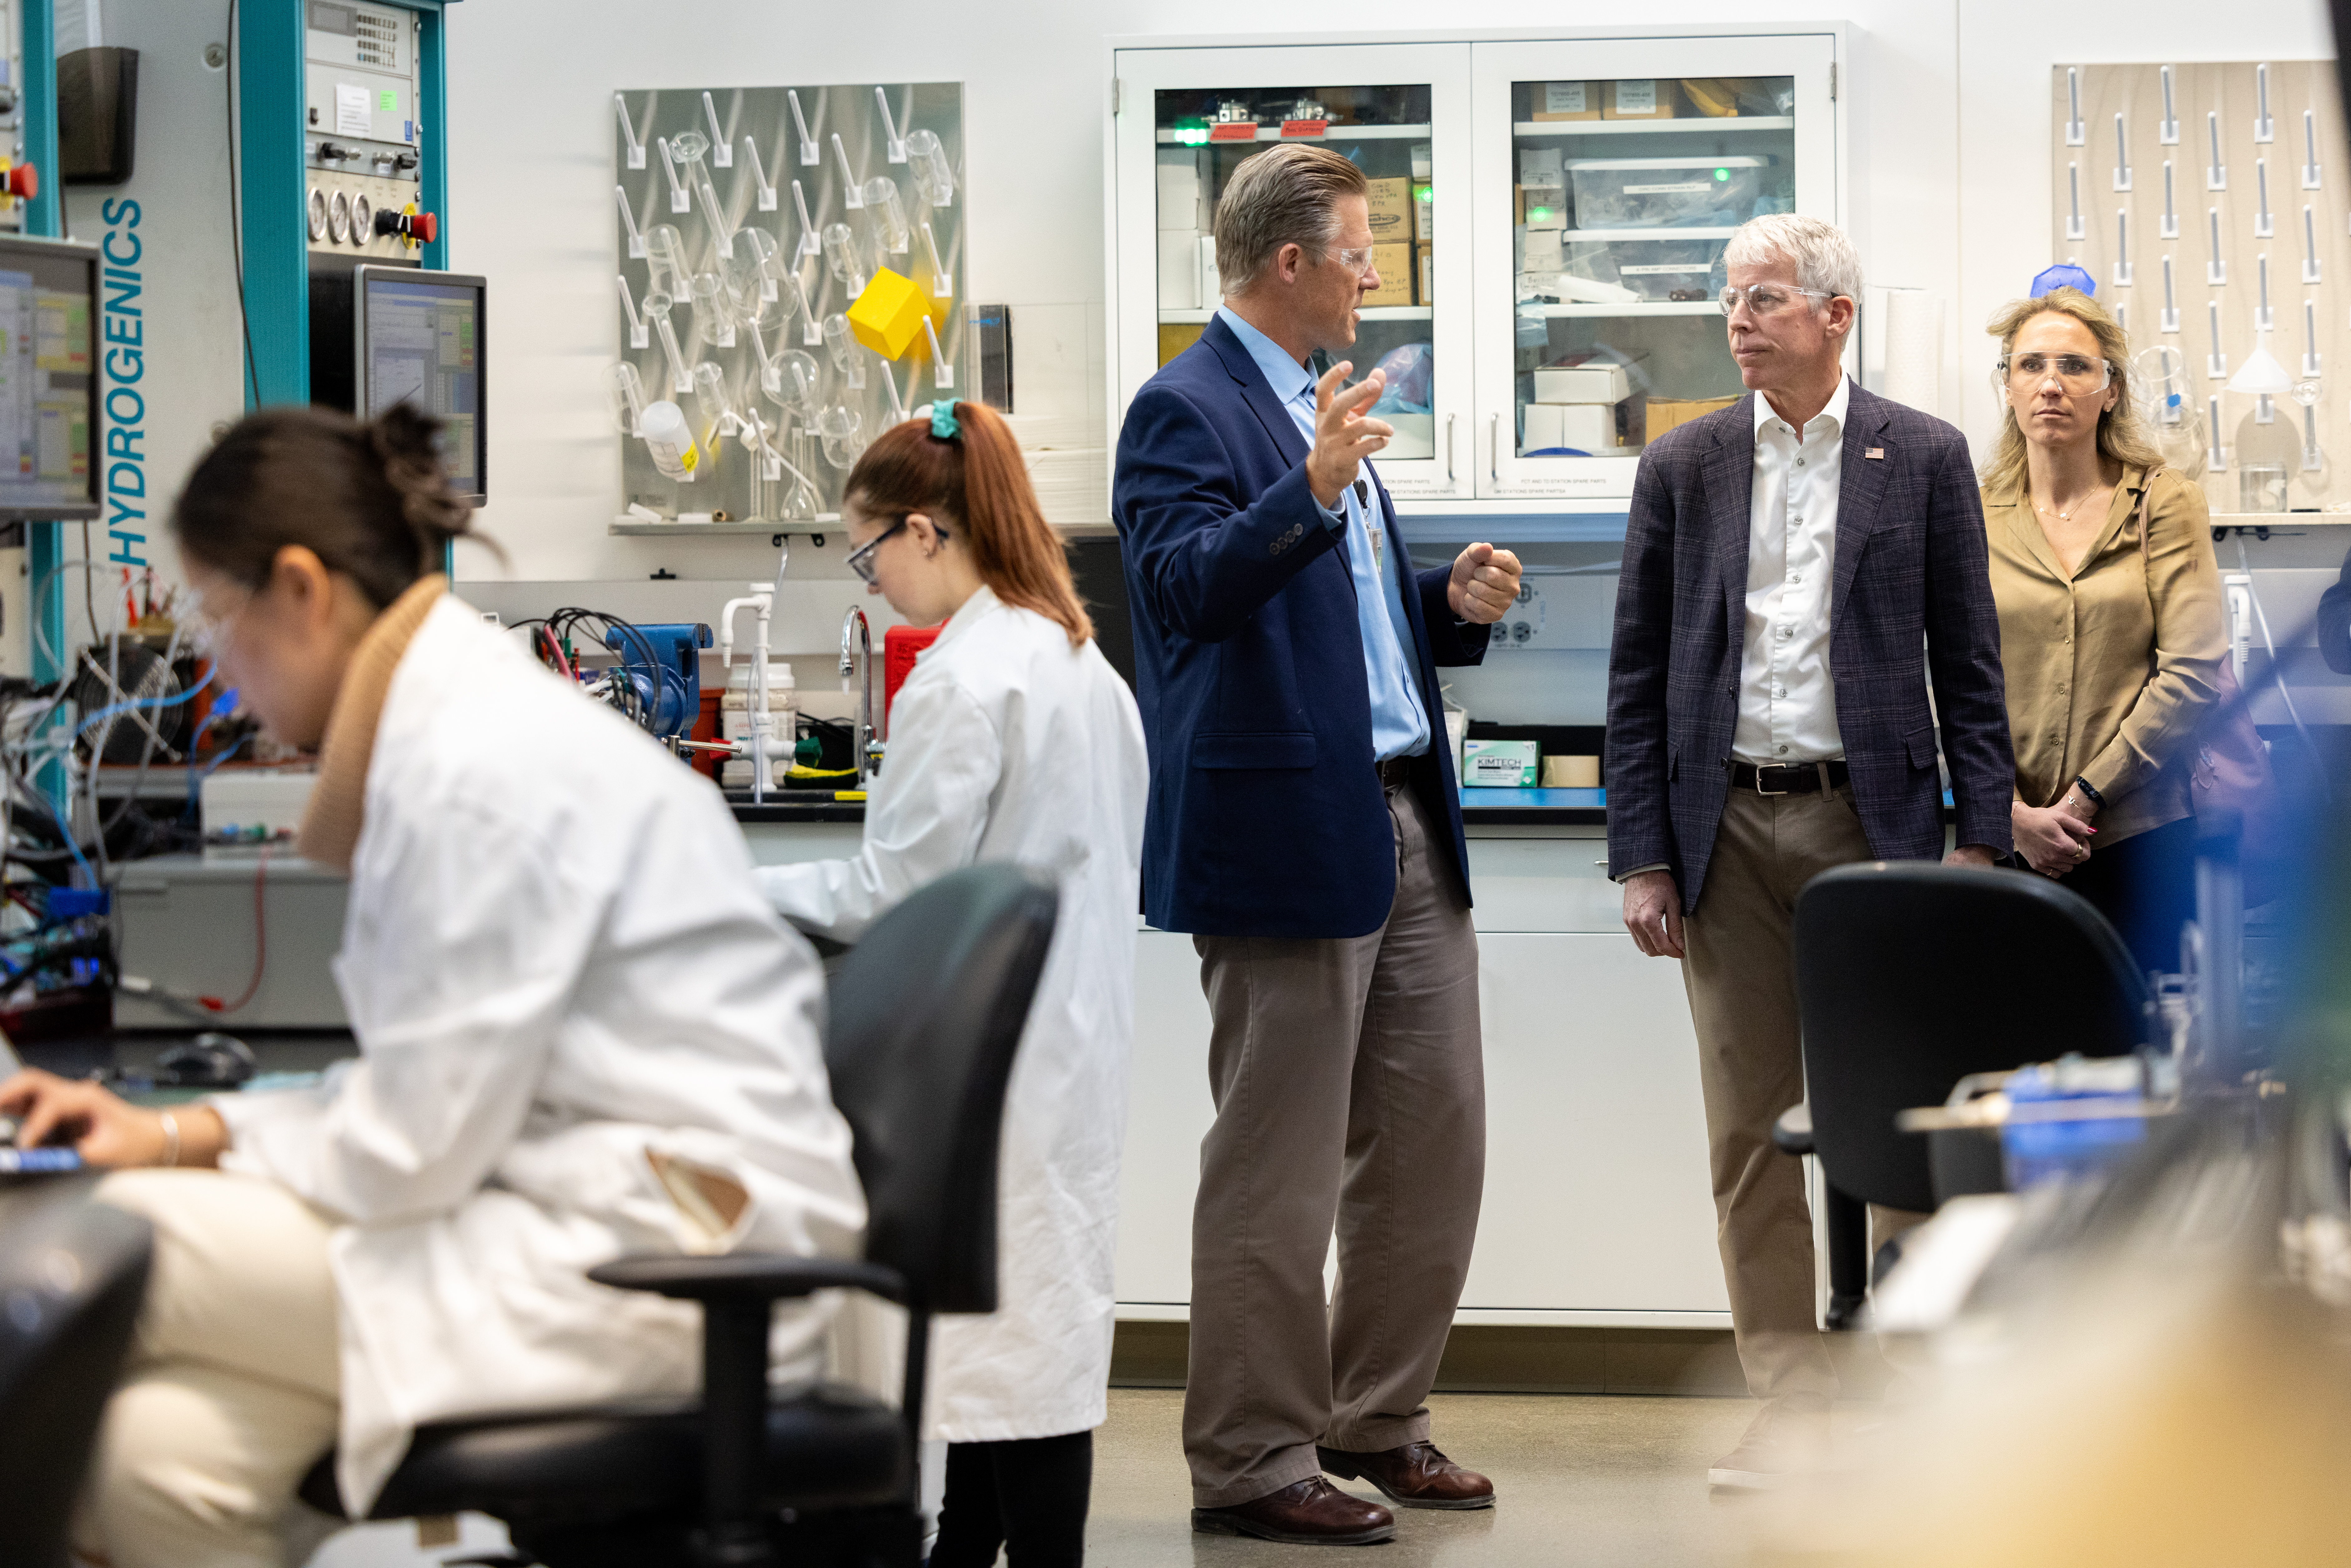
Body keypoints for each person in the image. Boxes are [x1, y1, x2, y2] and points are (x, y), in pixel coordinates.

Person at [4, 405, 866, 1568]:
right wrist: (184, 1128)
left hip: (659, 1265)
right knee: (158, 1461)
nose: (214, 661)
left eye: (218, 614)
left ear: (302, 589)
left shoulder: (475, 768)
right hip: (586, 1216)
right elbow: (418, 1098)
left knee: (78, 1246)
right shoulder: (453, 731)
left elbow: (406, 1147)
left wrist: (163, 1157)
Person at [1111, 143, 1523, 1546]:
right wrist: (1309, 487)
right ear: (1287, 262)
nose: (1370, 271)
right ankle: (1246, 1458)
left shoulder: (1316, 402)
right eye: (1356, 248)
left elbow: (1331, 611)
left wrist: (1442, 599)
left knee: (1431, 1143)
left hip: (1404, 813)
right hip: (1281, 832)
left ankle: (1375, 1417)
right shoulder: (1185, 408)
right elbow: (1182, 592)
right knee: (1274, 1167)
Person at [1605, 214, 2013, 1490]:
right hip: (1721, 828)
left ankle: (1900, 1400)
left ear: (1834, 315)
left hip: (1874, 824)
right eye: (1731, 300)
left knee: (1896, 1117)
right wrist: (1641, 855)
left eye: (1764, 299)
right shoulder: (1685, 465)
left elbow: (1970, 662)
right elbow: (1636, 672)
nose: (1737, 320)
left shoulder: (1925, 457)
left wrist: (1981, 837)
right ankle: (1785, 1400)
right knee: (1744, 1130)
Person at [755, 400, 1147, 1568]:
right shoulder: (1077, 659)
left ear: (927, 530)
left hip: (997, 1061)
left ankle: (996, 1547)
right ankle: (965, 1542)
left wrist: (734, 884)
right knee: (1025, 1329)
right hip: (1072, 1042)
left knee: (1007, 1334)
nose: (869, 580)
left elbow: (894, 896)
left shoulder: (964, 681)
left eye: (870, 551)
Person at [1978, 287, 2227, 975]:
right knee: (2015, 1058)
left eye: (2075, 366)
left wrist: (2086, 799)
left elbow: (2193, 669)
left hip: (2142, 840)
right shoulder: (1973, 512)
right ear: (2006, 386)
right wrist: (2009, 813)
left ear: (2111, 389)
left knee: (2143, 1058)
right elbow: (1939, 676)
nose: (2051, 384)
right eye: (2030, 366)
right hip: (2008, 844)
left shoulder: (2164, 501)